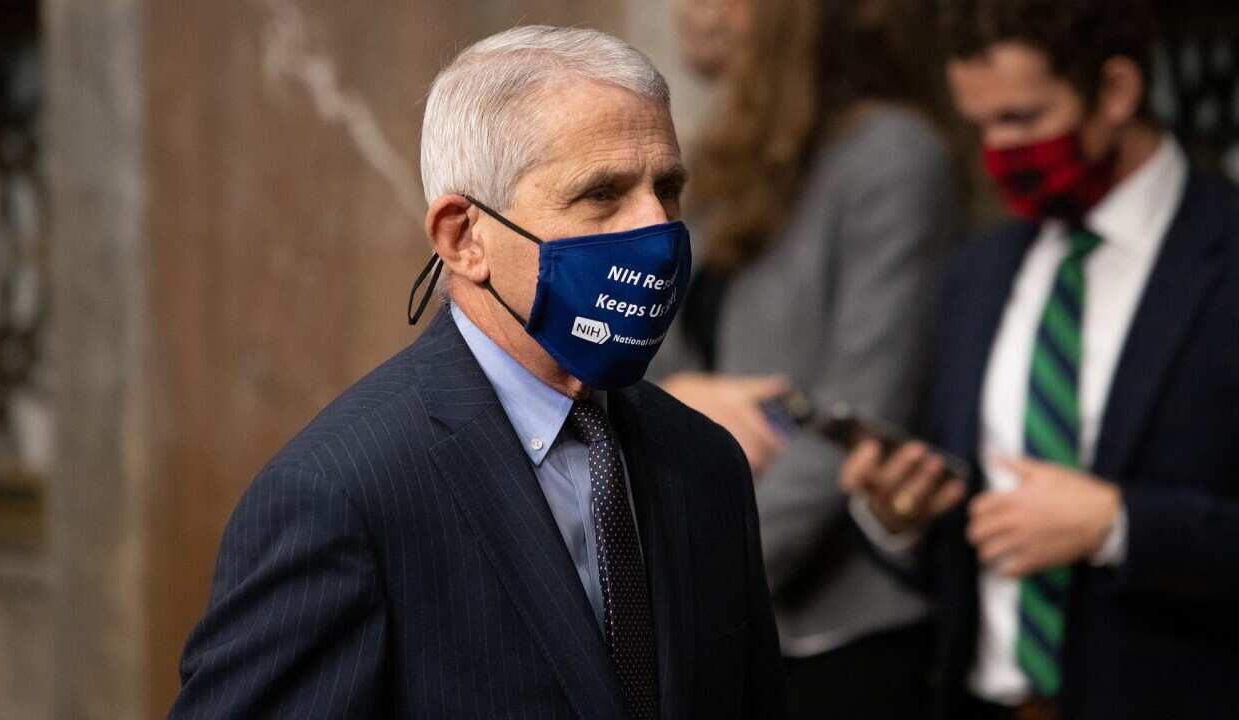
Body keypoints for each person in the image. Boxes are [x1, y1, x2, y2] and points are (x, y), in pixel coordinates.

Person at [170, 26, 785, 719]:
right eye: (602, 194)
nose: (657, 228)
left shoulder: (704, 465)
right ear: (464, 238)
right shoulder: (342, 495)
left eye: (667, 188)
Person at [840, 2, 1239, 718]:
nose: (996, 150)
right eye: (980, 124)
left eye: (1021, 119)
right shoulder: (981, 272)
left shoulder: (1223, 253)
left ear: (1116, 92)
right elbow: (961, 544)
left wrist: (1120, 524)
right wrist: (901, 516)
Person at [654, 1, 963, 717]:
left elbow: (859, 416)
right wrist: (682, 399)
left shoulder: (894, 156)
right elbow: (648, 358)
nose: (690, 11)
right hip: (724, 622)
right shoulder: (723, 155)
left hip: (837, 637)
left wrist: (698, 581)